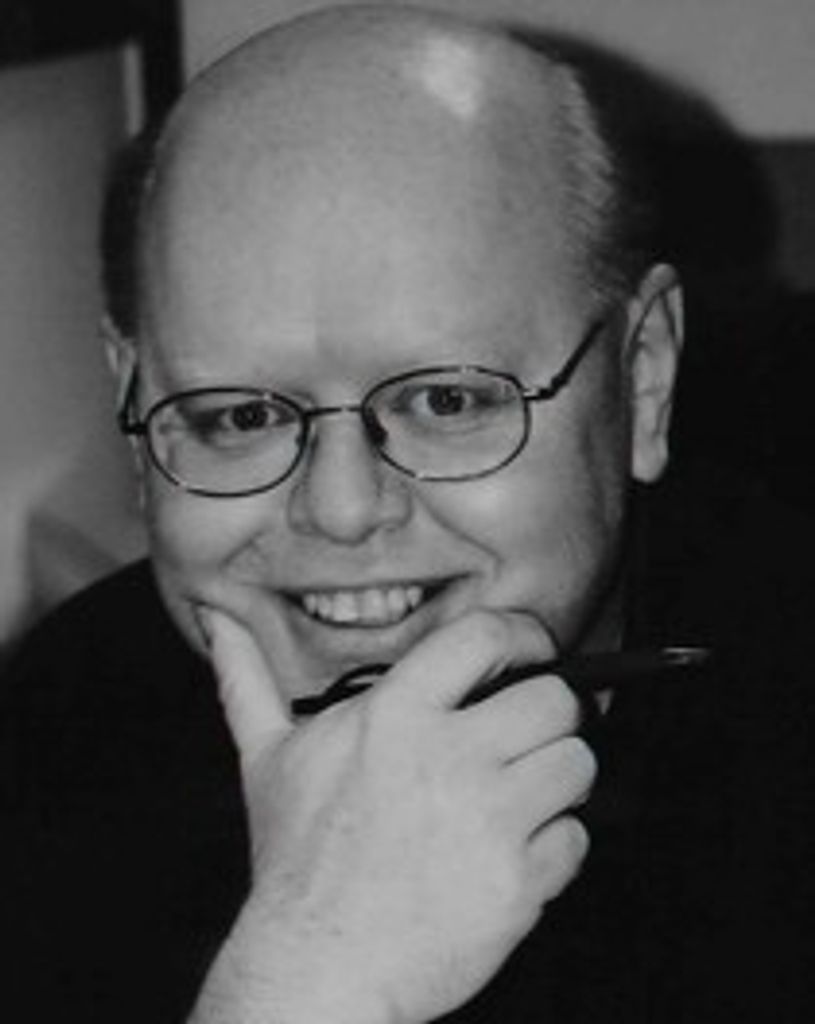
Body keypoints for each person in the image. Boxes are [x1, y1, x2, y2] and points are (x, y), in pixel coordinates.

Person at [1, 5, 813, 1022]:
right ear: (133, 402)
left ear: (641, 378)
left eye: (449, 400)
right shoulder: (53, 736)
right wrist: (304, 981)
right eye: (241, 415)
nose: (341, 512)